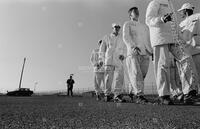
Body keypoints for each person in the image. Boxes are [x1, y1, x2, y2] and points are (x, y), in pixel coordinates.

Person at [146, 0, 199, 105]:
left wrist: (182, 40)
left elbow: (175, 25)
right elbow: (148, 19)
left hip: (174, 39)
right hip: (160, 38)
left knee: (186, 58)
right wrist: (161, 19)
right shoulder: (155, 2)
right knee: (162, 65)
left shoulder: (171, 5)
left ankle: (189, 93)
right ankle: (164, 95)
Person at [123, 7, 153, 104]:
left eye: (137, 11)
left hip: (145, 53)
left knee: (142, 75)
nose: (136, 12)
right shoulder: (127, 24)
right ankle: (139, 95)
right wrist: (133, 46)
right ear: (130, 15)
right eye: (134, 11)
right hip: (133, 53)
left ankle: (132, 92)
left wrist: (151, 52)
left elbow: (147, 40)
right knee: (136, 74)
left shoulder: (144, 26)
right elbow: (126, 37)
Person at [99, 23, 126, 102]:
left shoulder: (122, 38)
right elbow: (102, 49)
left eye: (118, 27)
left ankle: (117, 95)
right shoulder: (106, 37)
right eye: (115, 27)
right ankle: (107, 95)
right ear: (112, 28)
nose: (117, 28)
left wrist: (124, 55)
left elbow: (125, 48)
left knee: (119, 77)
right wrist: (101, 59)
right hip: (109, 60)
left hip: (118, 60)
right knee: (108, 78)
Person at [178, 3, 200, 81]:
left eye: (181, 11)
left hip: (197, 47)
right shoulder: (181, 24)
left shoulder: (198, 16)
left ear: (185, 10)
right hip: (187, 51)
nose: (180, 13)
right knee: (193, 74)